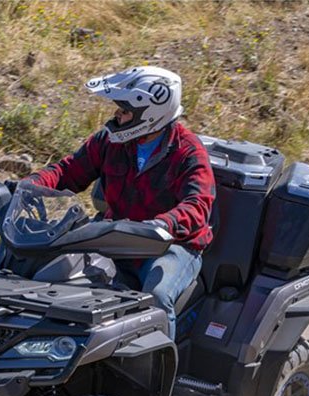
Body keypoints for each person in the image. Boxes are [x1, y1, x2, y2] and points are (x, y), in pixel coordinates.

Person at [27, 66, 216, 340]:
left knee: (156, 298)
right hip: (117, 236)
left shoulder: (189, 153)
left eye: (125, 111)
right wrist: (31, 184)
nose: (117, 115)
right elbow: (70, 170)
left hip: (171, 245)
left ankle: (159, 376)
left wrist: (163, 224)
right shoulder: (112, 140)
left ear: (150, 115)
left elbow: (198, 206)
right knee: (58, 276)